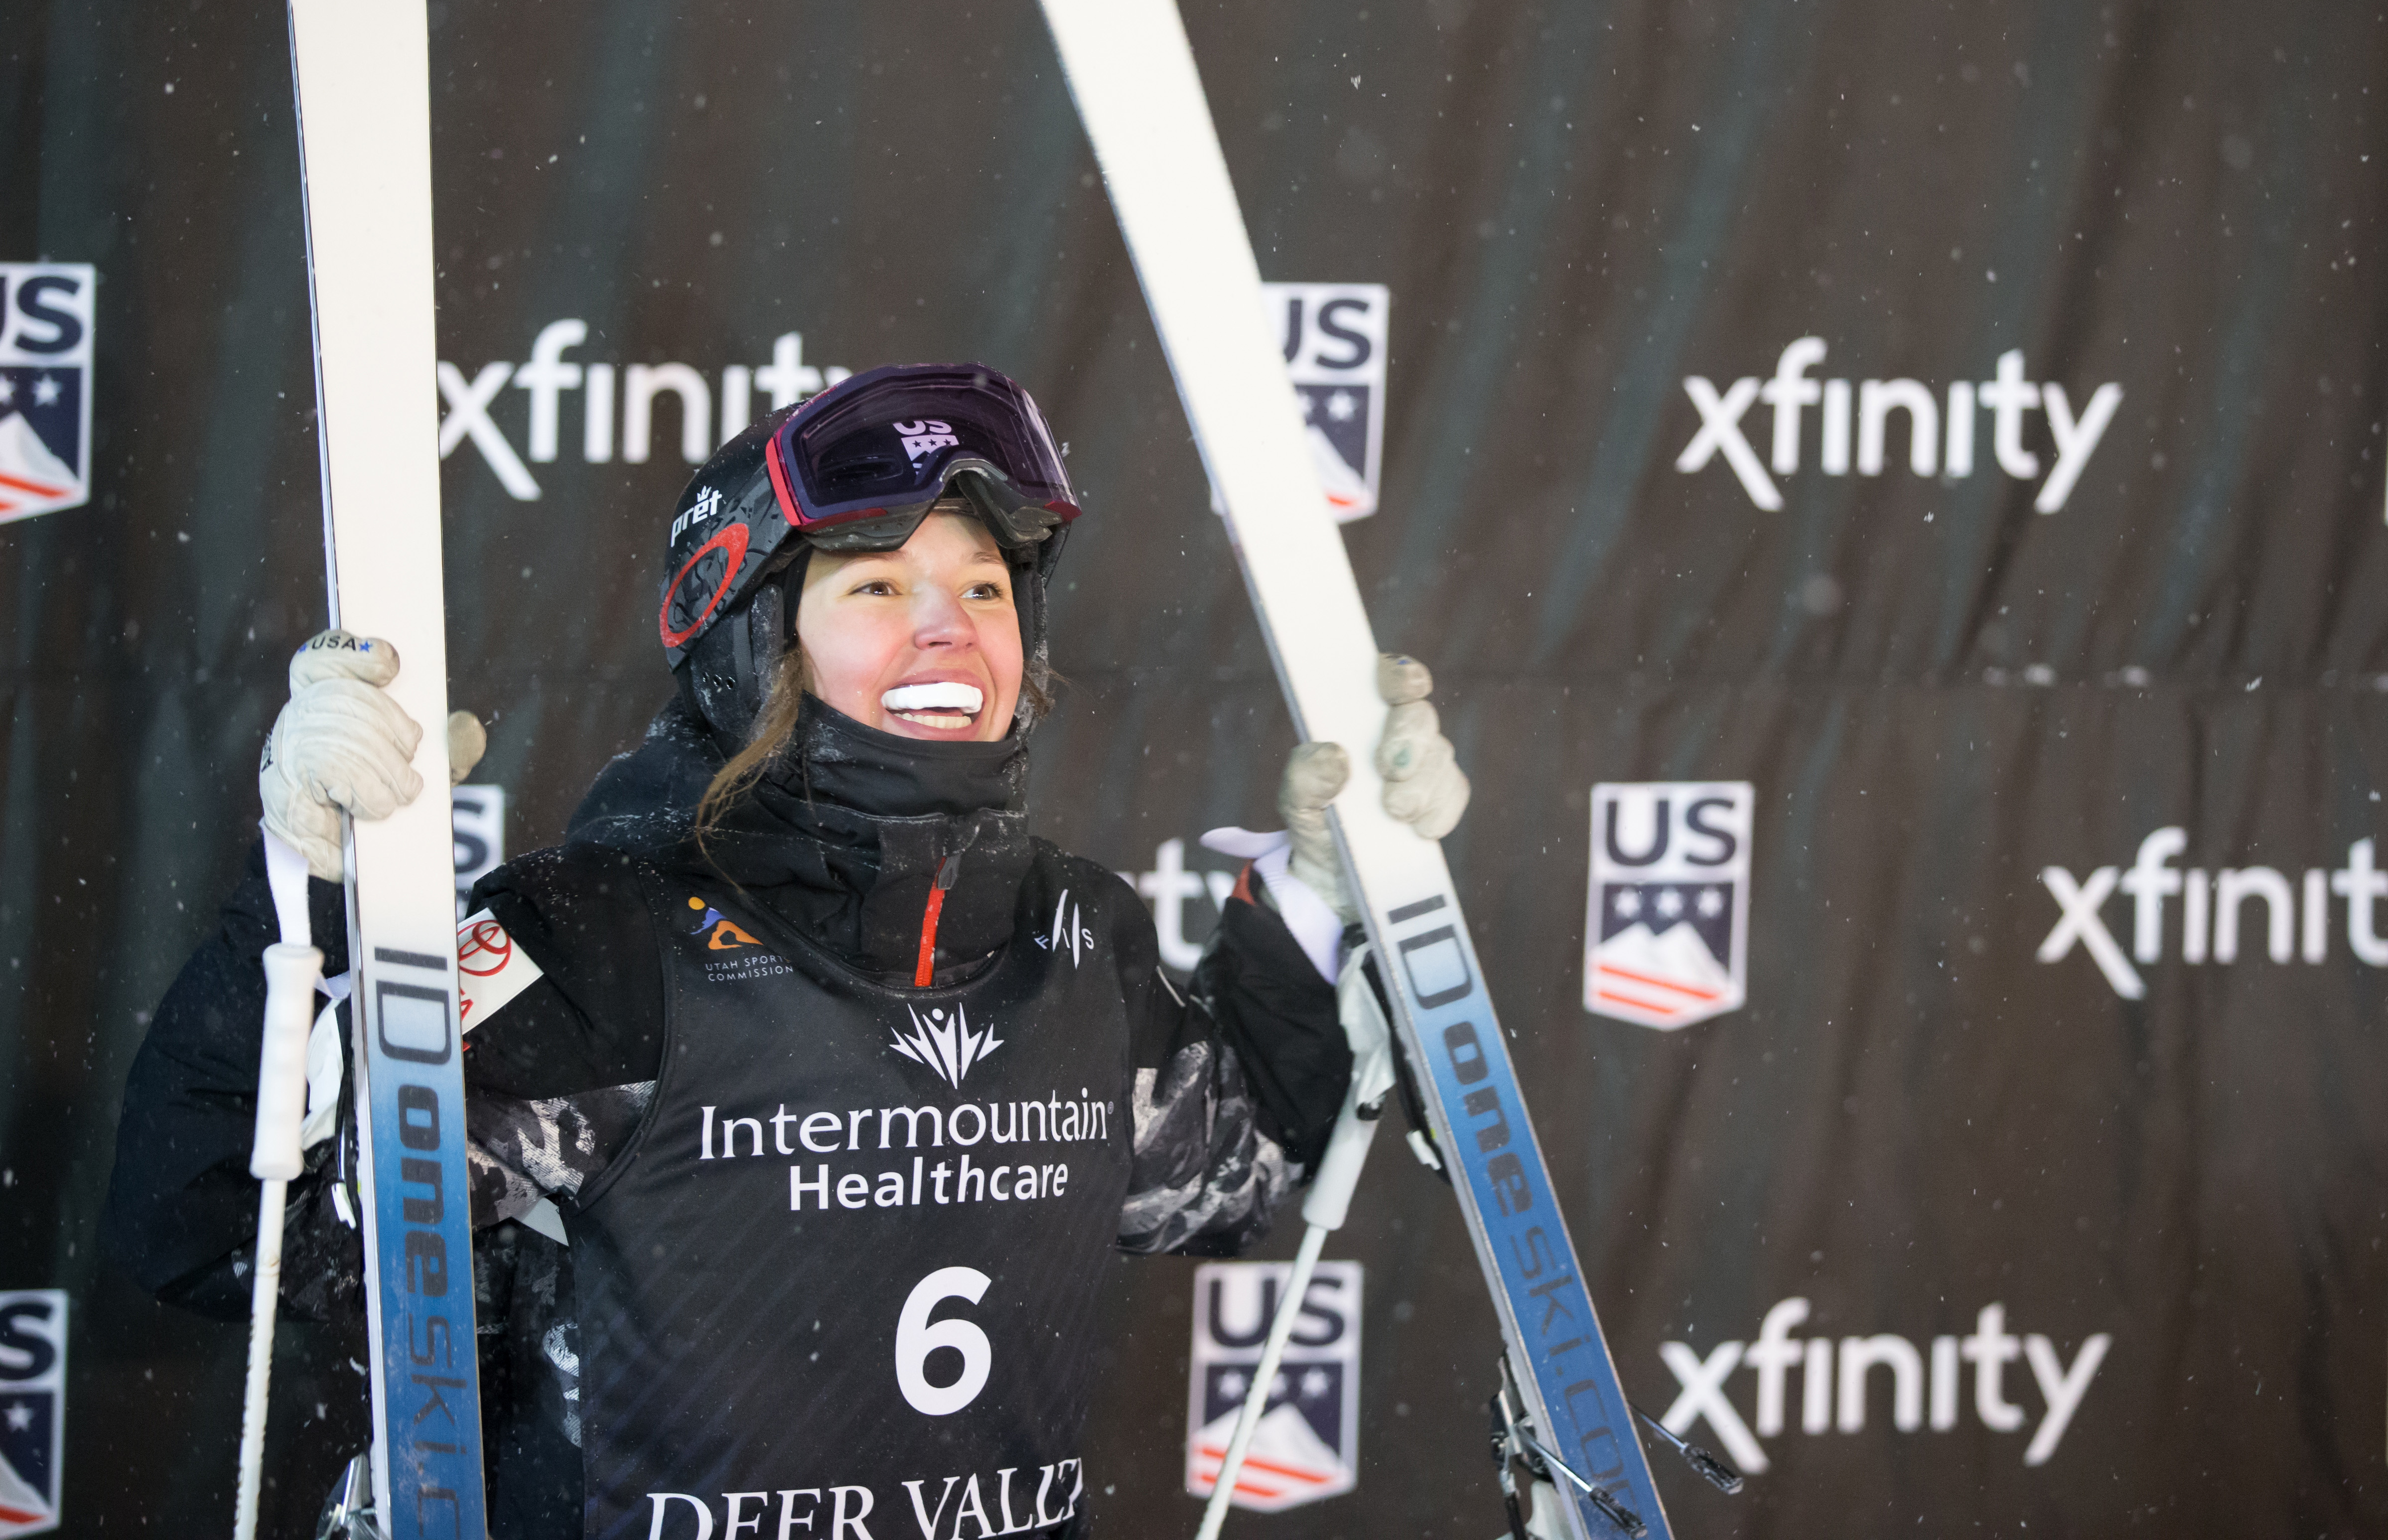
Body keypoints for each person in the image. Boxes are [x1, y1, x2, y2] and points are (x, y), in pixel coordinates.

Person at [101, 364, 1469, 1538]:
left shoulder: (1073, 943)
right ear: (757, 643)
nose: (951, 626)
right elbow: (224, 1229)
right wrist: (303, 895)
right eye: (880, 582)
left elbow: (1220, 1182)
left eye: (985, 586)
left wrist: (1324, 898)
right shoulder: (596, 946)